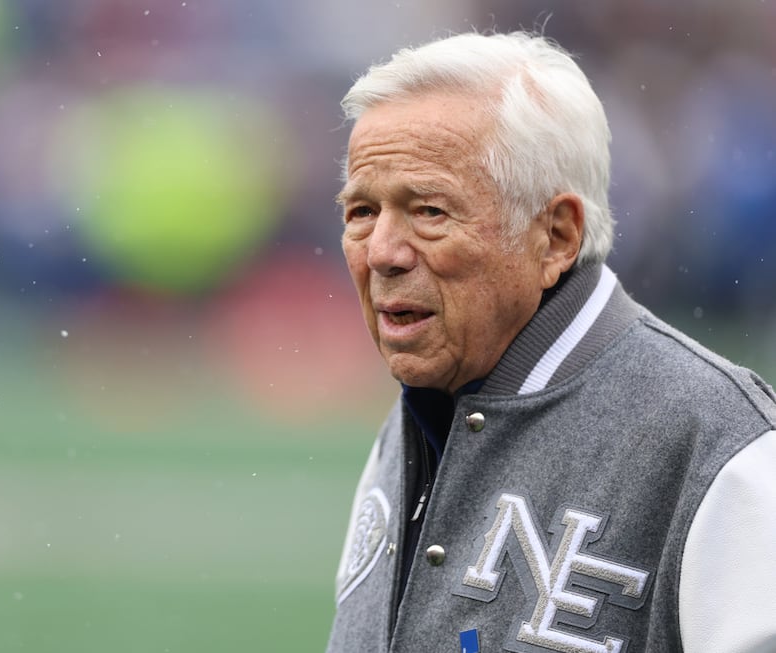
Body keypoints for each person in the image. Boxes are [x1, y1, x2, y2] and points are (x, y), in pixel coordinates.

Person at [327, 31, 776, 653]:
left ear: (557, 236)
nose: (381, 252)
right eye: (361, 212)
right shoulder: (422, 414)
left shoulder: (720, 446)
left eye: (429, 211)